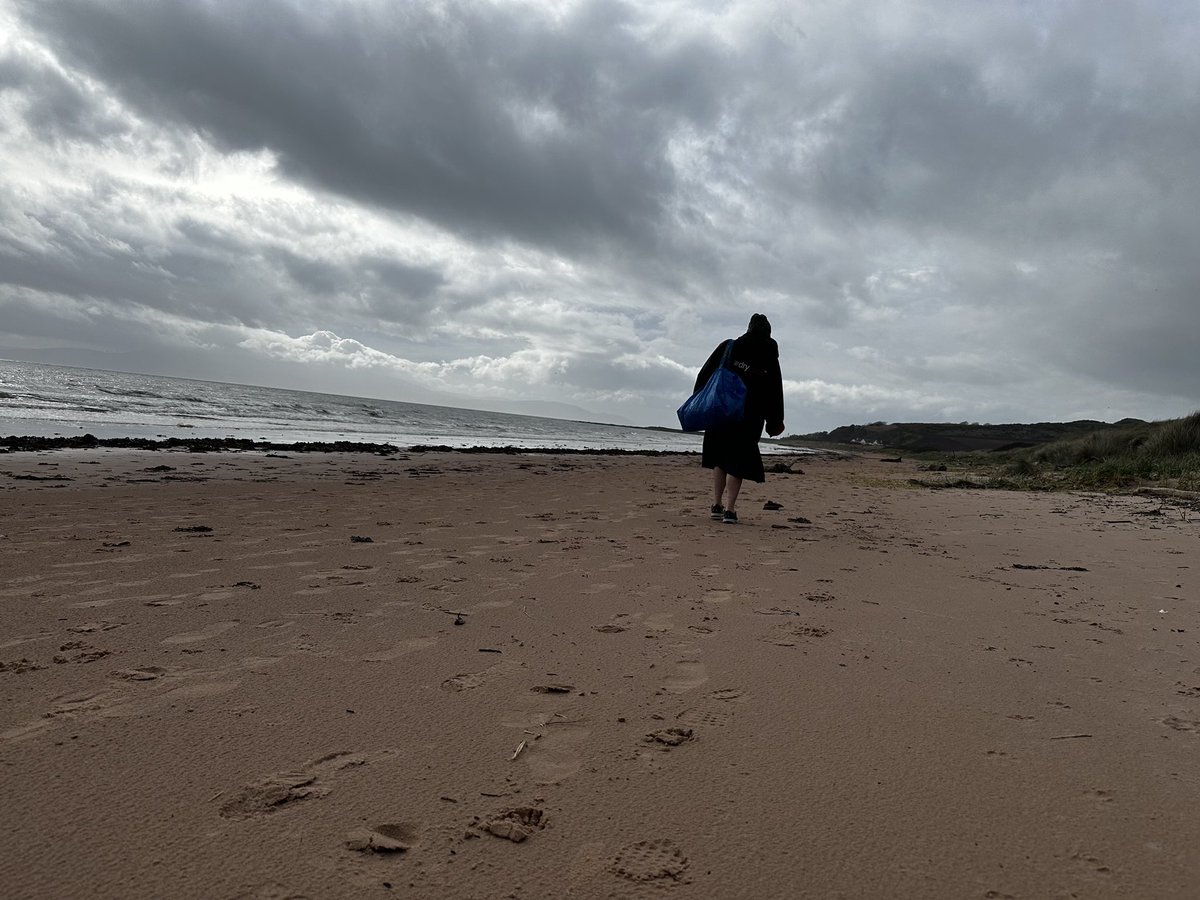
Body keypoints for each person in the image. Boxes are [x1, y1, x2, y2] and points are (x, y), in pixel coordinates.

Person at [693, 313, 785, 524]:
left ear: (748, 329)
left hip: (722, 411)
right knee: (738, 460)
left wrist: (700, 399)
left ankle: (716, 504)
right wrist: (775, 421)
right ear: (768, 333)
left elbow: (704, 374)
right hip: (750, 416)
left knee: (720, 457)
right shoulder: (770, 354)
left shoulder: (729, 346)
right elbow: (775, 390)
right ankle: (730, 509)